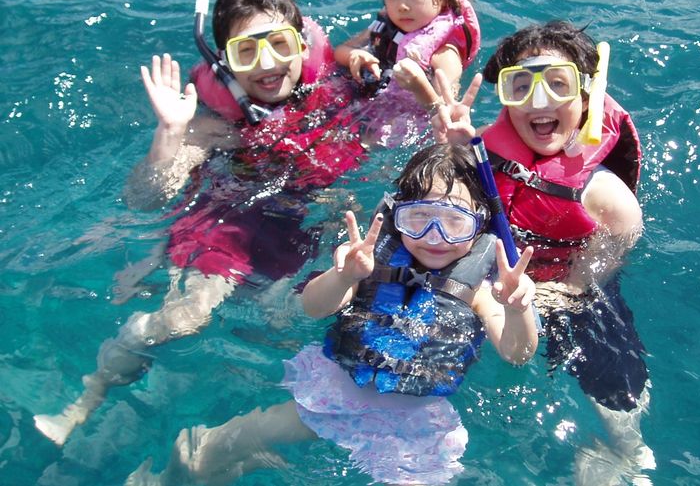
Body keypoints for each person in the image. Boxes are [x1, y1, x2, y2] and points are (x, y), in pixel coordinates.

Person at [33, 0, 369, 446]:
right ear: (224, 62)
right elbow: (147, 198)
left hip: (299, 234)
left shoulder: (337, 90)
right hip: (225, 228)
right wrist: (170, 133)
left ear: (301, 43)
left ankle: (210, 438)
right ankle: (84, 403)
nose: (267, 64)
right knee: (183, 320)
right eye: (246, 52)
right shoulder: (215, 126)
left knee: (288, 333)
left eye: (278, 44)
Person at [125, 143, 539, 486]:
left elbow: (516, 354)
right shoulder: (364, 259)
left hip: (413, 421)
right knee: (211, 450)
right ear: (397, 217)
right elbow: (313, 307)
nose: (435, 237)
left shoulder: (480, 290)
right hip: (336, 391)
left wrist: (517, 309)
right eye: (419, 219)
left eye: (454, 222)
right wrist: (343, 276)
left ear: (479, 226)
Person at [434, 21, 654, 484]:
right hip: (490, 274)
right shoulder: (481, 150)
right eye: (520, 86)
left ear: (587, 95)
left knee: (616, 386)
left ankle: (627, 451)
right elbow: (444, 206)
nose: (538, 102)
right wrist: (450, 151)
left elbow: (594, 275)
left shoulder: (608, 199)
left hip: (569, 292)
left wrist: (556, 295)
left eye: (558, 84)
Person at [335, 0, 480, 147]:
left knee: (363, 144)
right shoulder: (387, 25)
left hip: (404, 122)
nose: (402, 5)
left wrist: (419, 86)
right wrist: (355, 55)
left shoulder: (445, 53)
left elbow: (445, 111)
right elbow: (340, 51)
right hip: (369, 94)